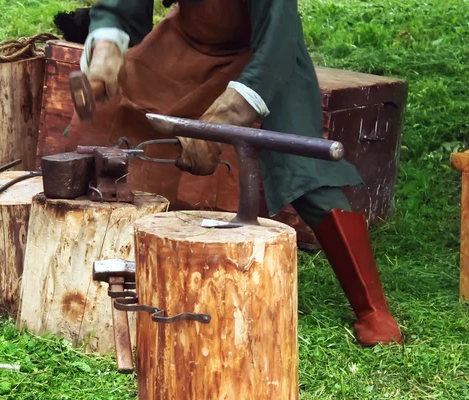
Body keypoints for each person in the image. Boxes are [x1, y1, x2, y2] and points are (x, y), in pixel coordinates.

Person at [63, 0, 402, 347]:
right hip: (185, 44)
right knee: (98, 129)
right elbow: (122, 7)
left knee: (302, 167)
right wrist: (105, 45)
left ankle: (372, 309)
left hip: (268, 56)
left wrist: (223, 119)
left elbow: (277, 40)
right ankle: (92, 267)